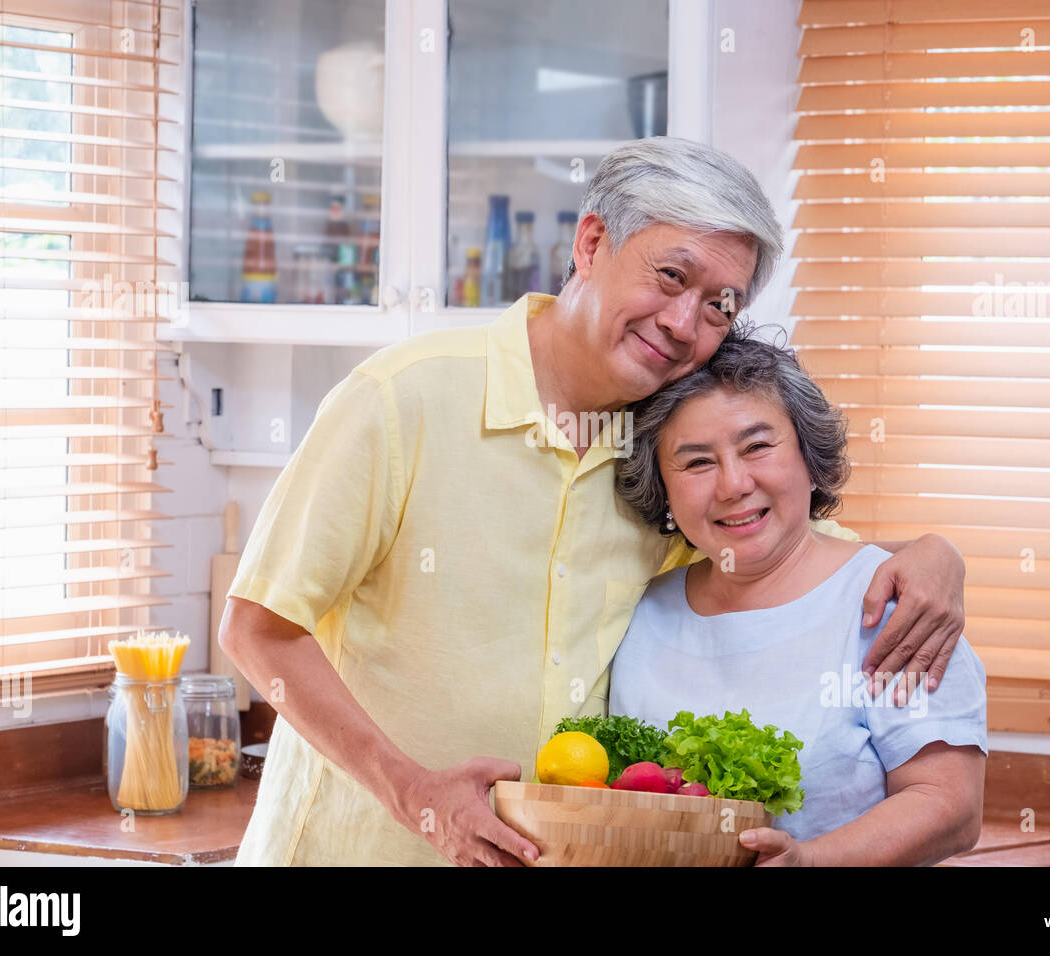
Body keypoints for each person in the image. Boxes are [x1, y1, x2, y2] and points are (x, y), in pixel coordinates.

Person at [218, 136, 970, 866]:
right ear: (590, 243)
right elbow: (257, 628)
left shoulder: (666, 456)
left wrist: (934, 555)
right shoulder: (402, 400)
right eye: (671, 277)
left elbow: (802, 549)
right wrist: (412, 790)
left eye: (719, 305)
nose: (684, 325)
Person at [609, 328, 987, 866]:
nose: (733, 484)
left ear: (809, 456)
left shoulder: (893, 603)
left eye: (757, 446)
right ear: (663, 488)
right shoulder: (641, 609)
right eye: (696, 462)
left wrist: (809, 861)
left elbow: (949, 805)